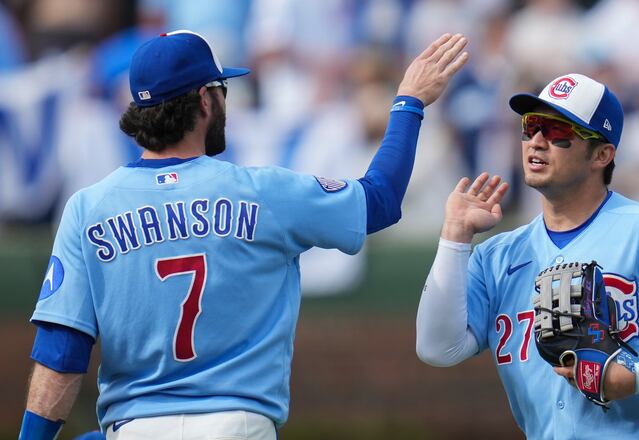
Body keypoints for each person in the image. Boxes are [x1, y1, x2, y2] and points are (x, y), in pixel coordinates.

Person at [20, 29, 468, 439]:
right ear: (203, 101)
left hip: (135, 426)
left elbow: (61, 355)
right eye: (222, 89)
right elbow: (381, 200)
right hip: (238, 426)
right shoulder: (263, 193)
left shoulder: (88, 208)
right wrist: (409, 102)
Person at [416, 73, 639, 439]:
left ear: (602, 154)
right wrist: (454, 237)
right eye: (531, 126)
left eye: (558, 131)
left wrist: (633, 379)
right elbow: (437, 348)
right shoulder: (496, 256)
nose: (537, 142)